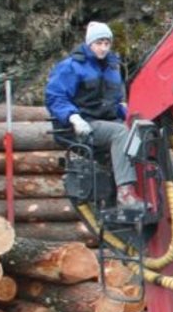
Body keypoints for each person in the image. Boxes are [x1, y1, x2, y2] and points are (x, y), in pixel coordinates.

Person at [45, 21, 141, 207]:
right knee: (120, 132)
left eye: (107, 43)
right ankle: (125, 192)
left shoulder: (112, 67)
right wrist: (74, 118)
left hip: (104, 121)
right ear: (90, 43)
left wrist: (130, 115)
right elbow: (55, 97)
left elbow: (115, 102)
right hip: (80, 124)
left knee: (141, 133)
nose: (103, 48)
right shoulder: (71, 66)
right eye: (99, 43)